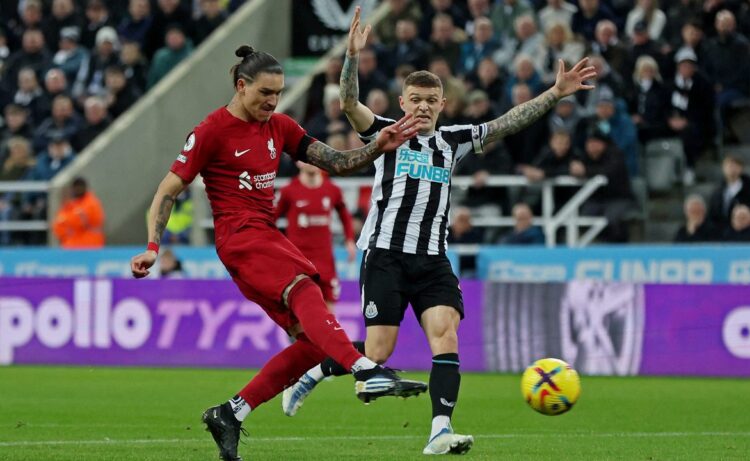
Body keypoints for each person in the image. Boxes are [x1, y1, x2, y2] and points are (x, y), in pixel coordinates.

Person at [281, 6, 596, 456]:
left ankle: (439, 431)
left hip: (432, 259)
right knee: (379, 351)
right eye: (416, 99)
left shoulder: (453, 141)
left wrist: (554, 93)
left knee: (446, 336)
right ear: (403, 102)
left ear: (443, 105)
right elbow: (349, 104)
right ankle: (312, 372)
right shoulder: (384, 133)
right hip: (385, 255)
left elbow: (508, 122)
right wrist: (351, 56)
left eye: (432, 100)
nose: (424, 106)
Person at [129, 46, 426, 461]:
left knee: (313, 345)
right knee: (304, 288)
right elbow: (167, 190)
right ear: (241, 86)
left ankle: (230, 413)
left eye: (278, 93)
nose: (272, 101)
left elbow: (336, 162)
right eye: (265, 93)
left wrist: (379, 145)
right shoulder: (211, 130)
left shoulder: (280, 126)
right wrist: (152, 246)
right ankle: (365, 369)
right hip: (240, 236)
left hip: (264, 235)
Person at [275, 161, 357, 310]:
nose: (311, 162)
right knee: (297, 309)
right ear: (298, 162)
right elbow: (271, 219)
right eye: (306, 158)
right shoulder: (288, 191)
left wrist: (350, 240)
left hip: (325, 260)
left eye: (314, 158)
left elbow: (345, 215)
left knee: (329, 308)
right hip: (298, 261)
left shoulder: (332, 190)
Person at [52, 177, 105, 248]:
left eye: (80, 187)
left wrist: (66, 221)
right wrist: (65, 227)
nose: (78, 190)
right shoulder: (71, 204)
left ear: (85, 188)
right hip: (71, 246)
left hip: (90, 246)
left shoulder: (92, 203)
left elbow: (77, 221)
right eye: (76, 187)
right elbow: (57, 226)